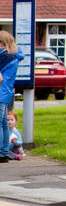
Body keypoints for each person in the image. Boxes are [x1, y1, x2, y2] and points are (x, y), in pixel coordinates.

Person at [0, 32, 20, 162]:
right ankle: (4, 152)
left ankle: (1, 152)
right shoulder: (14, 57)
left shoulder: (3, 57)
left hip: (0, 92)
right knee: (4, 124)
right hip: (7, 93)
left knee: (0, 124)